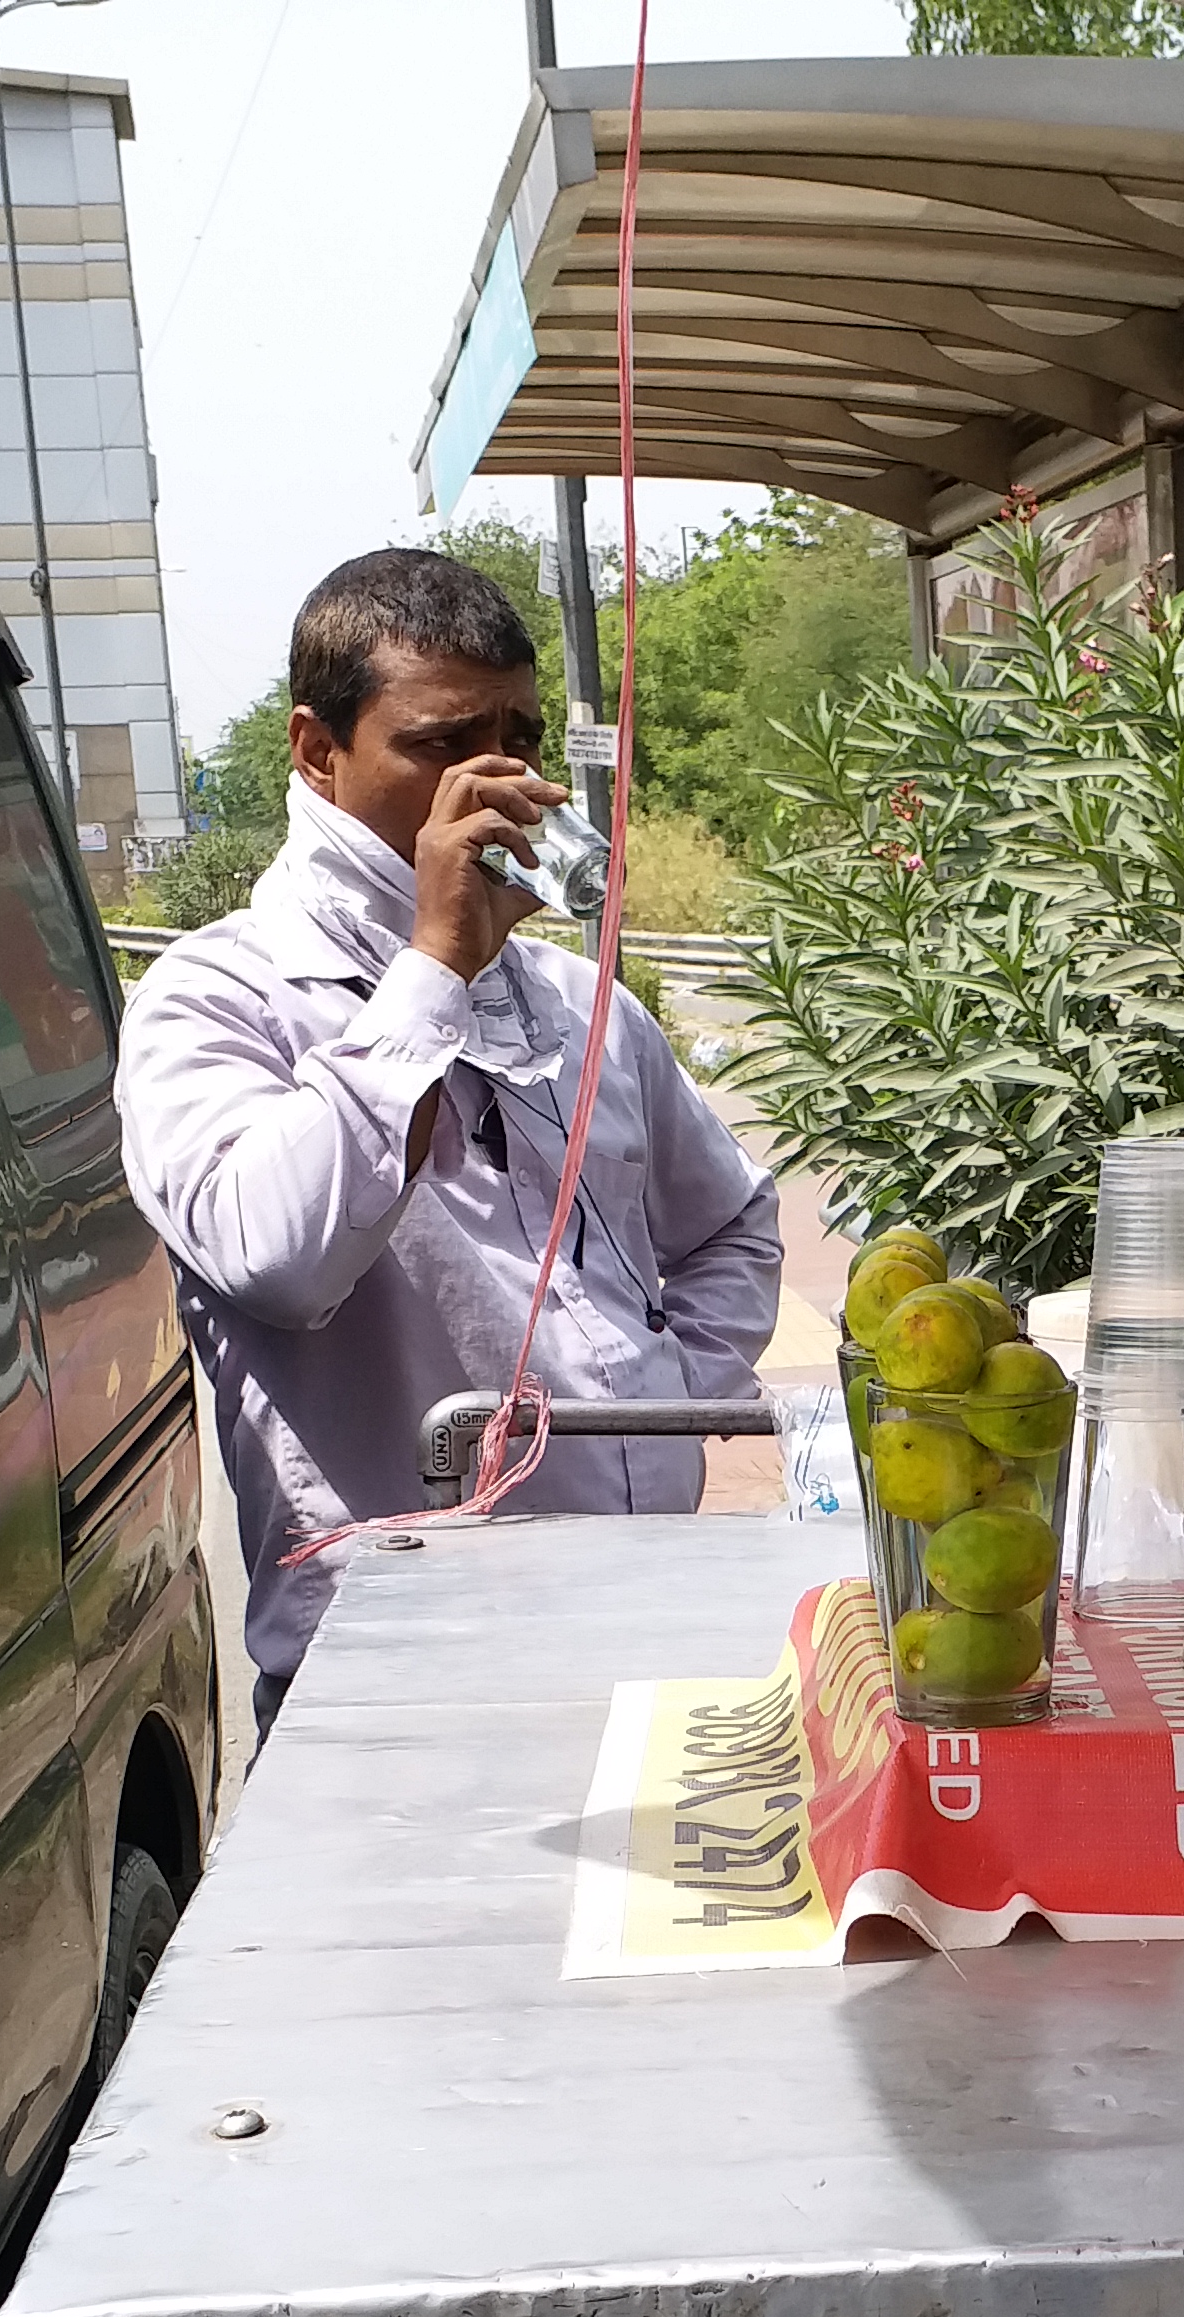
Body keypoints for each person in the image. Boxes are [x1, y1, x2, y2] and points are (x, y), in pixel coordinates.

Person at [117, 549, 781, 1723]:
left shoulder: (581, 1008)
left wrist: (657, 1393)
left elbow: (731, 1227)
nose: (497, 780)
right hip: (399, 1679)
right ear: (317, 751)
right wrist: (432, 969)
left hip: (643, 1622)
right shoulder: (220, 998)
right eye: (440, 744)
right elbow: (276, 1256)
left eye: (519, 738)